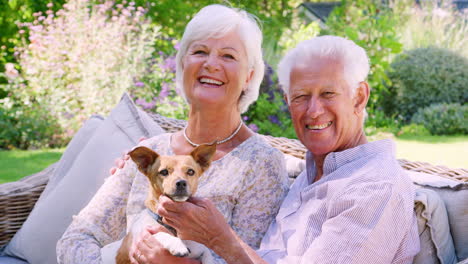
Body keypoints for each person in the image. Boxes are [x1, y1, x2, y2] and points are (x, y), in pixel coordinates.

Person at [153, 36, 420, 264]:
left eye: (328, 94)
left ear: (359, 97)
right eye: (301, 96)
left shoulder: (374, 188)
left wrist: (219, 238)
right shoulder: (314, 170)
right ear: (288, 102)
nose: (314, 111)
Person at [56, 4, 290, 264]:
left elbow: (248, 259)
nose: (211, 64)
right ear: (182, 65)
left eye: (228, 56)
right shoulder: (151, 153)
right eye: (200, 51)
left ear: (249, 76)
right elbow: (75, 239)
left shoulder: (262, 164)